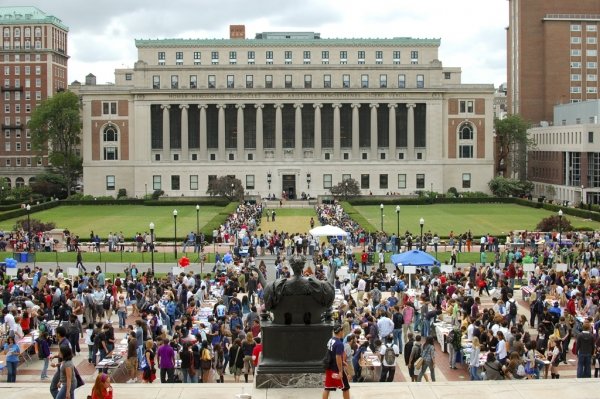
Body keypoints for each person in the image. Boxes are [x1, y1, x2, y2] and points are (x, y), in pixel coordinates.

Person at [323, 325, 350, 399]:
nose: (343, 333)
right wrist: (341, 371)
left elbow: (331, 353)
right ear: (340, 332)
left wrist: (342, 361)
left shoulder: (331, 340)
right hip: (336, 369)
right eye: (343, 331)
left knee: (327, 387)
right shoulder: (339, 344)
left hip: (329, 368)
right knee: (346, 387)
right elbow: (337, 357)